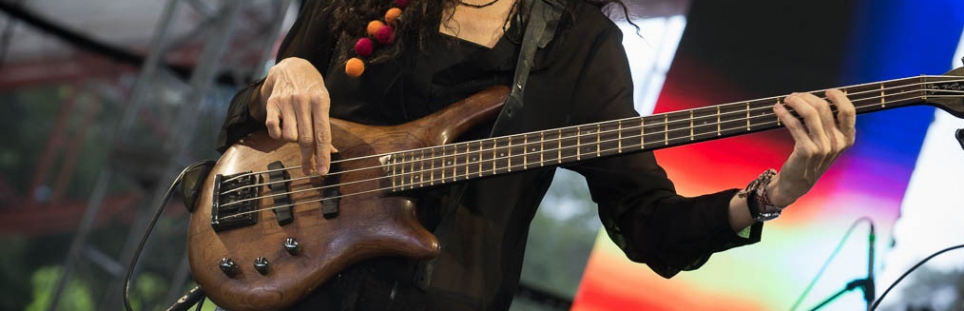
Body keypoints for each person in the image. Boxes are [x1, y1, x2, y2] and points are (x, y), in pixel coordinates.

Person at [217, 0, 856, 310]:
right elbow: (246, 127)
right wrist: (288, 70)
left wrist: (771, 195)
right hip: (296, 282)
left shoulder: (578, 48)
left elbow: (649, 226)